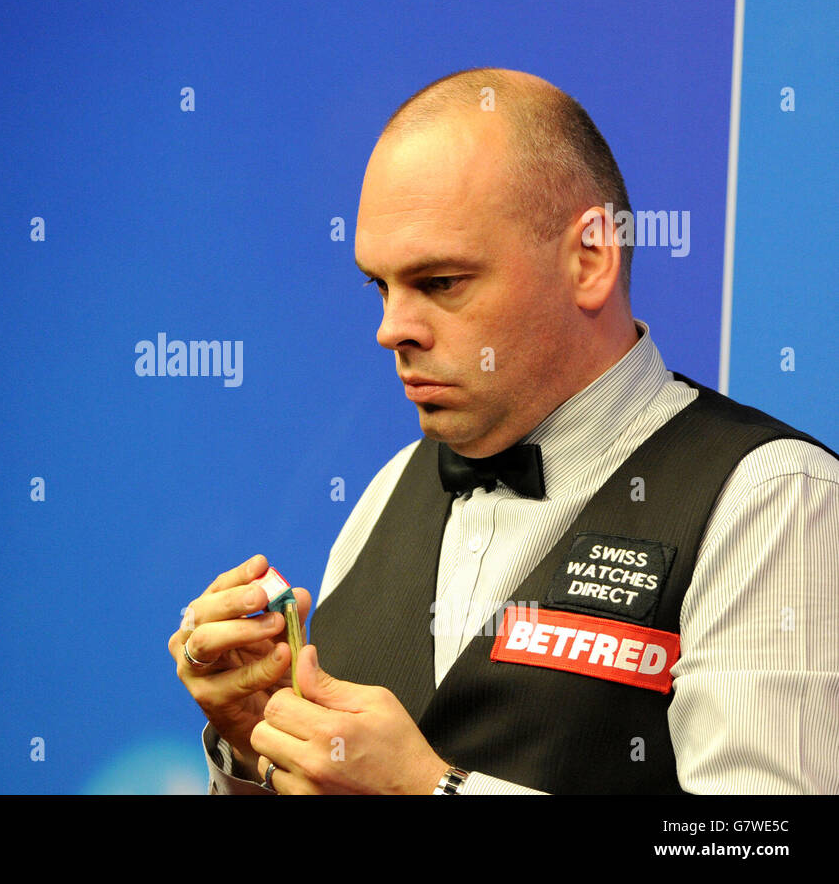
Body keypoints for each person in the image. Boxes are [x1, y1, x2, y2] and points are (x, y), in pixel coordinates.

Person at [168, 68, 839, 794]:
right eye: (379, 285)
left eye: (441, 282)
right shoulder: (392, 488)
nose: (391, 328)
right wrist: (256, 751)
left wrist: (433, 791)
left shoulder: (772, 499)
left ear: (590, 259)